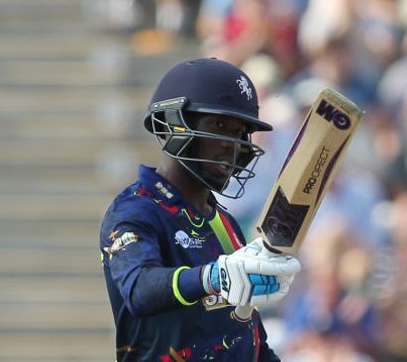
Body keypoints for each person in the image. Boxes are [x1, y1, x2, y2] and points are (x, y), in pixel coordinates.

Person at [100, 58, 302, 361]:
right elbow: (140, 289)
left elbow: (248, 341)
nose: (230, 144)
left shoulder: (224, 222)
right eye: (219, 125)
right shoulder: (136, 209)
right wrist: (213, 277)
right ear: (174, 123)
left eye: (239, 133)